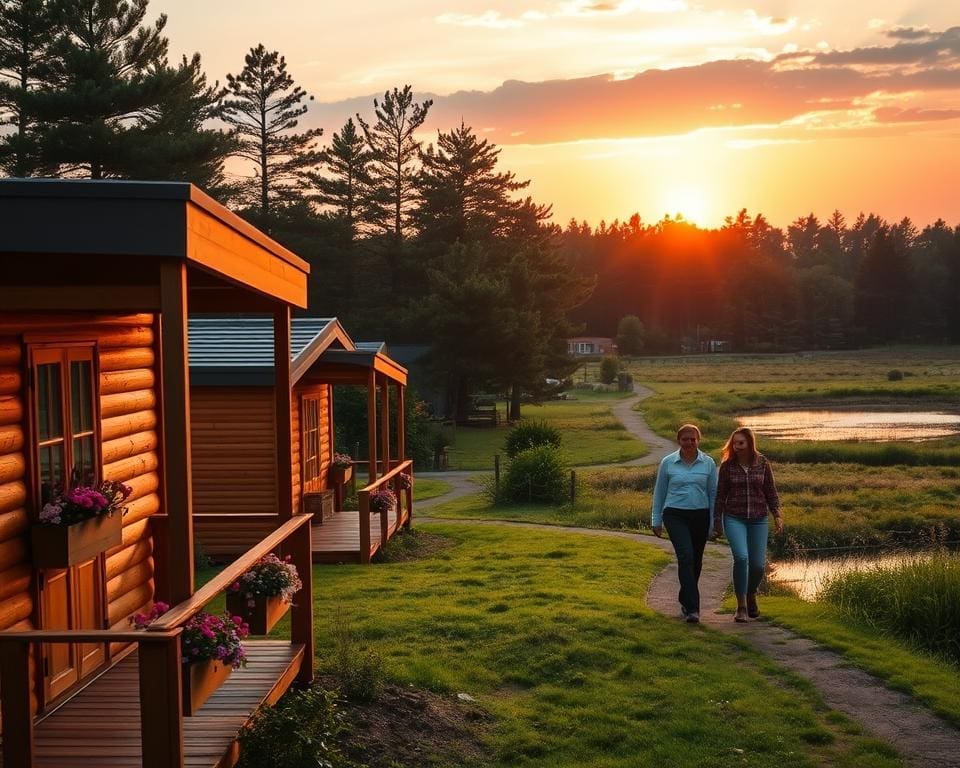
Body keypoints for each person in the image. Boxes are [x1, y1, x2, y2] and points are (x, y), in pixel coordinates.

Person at [714, 427, 784, 622]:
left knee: (758, 566)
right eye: (734, 443)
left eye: (741, 443)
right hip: (734, 517)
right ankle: (741, 606)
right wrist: (717, 522)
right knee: (741, 558)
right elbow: (720, 496)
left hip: (759, 519)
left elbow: (771, 491)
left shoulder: (762, 463)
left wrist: (777, 515)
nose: (737, 447)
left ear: (750, 444)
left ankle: (751, 592)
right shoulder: (727, 467)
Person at [651, 424, 718, 623]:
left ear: (699, 440)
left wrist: (714, 523)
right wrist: (656, 519)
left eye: (693, 439)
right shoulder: (668, 462)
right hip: (675, 514)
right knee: (686, 555)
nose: (689, 442)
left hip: (700, 514)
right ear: (678, 440)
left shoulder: (708, 463)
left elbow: (713, 494)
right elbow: (659, 492)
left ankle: (684, 597)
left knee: (696, 561)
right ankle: (693, 608)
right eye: (685, 439)